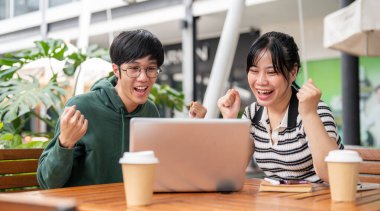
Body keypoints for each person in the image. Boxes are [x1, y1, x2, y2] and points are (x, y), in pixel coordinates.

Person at [37, 29, 206, 189]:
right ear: (116, 70)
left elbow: (163, 170)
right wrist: (65, 143)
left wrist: (191, 130)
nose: (143, 78)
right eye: (134, 69)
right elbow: (47, 182)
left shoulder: (150, 112)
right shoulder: (81, 108)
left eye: (151, 69)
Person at [217, 31, 343, 183]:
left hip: (322, 203)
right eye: (254, 71)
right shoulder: (253, 114)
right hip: (277, 203)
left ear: (293, 73)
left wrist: (309, 114)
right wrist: (230, 120)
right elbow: (231, 171)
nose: (261, 81)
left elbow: (333, 175)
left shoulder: (316, 110)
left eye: (271, 72)